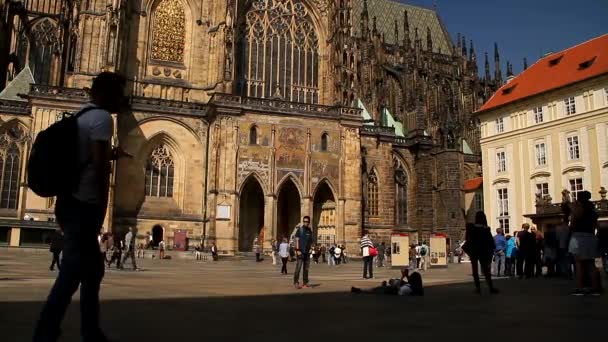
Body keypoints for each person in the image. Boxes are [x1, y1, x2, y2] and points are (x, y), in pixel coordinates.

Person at [33, 72, 127, 342]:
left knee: (93, 270)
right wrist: (101, 202)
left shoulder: (82, 115)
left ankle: (90, 330)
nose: (122, 99)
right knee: (73, 271)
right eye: (119, 94)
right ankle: (46, 330)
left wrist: (110, 154)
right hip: (84, 205)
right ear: (107, 94)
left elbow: (86, 155)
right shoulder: (102, 119)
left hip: (69, 201)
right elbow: (97, 165)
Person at [566, 191, 602, 295]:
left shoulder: (577, 210)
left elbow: (572, 225)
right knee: (591, 264)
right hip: (590, 236)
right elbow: (596, 226)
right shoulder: (593, 211)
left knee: (579, 265)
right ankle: (595, 288)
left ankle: (580, 288)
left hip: (578, 237)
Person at [463, 211, 499, 294]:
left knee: (475, 270)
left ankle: (478, 288)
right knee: (486, 269)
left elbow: (467, 239)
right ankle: (490, 287)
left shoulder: (471, 227)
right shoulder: (486, 229)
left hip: (474, 251)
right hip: (483, 251)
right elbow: (490, 241)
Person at [351, 268, 424, 296]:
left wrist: (402, 277)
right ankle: (360, 290)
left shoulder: (408, 289)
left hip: (391, 290)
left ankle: (359, 290)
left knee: (375, 290)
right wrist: (405, 275)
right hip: (393, 288)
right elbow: (410, 280)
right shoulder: (413, 285)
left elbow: (399, 290)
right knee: (376, 289)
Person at [293, 216, 313, 289]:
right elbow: (296, 240)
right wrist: (297, 250)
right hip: (300, 252)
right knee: (298, 268)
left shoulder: (310, 230)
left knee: (306, 269)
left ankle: (305, 283)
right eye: (304, 221)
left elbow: (311, 241)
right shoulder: (300, 230)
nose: (306, 223)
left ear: (309, 222)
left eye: (307, 221)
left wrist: (311, 248)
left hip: (307, 252)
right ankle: (296, 282)